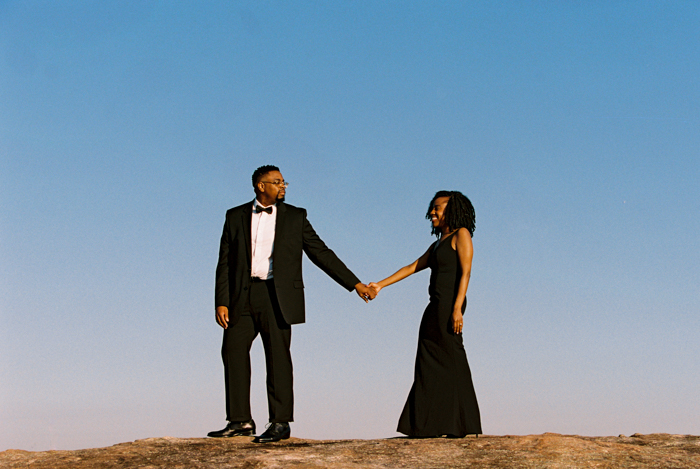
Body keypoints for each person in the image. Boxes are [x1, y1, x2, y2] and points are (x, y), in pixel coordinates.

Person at [209, 165, 376, 443]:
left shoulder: (296, 217)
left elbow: (321, 253)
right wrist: (221, 301)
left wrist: (355, 284)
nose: (283, 186)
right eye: (277, 182)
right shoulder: (234, 215)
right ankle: (239, 420)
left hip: (277, 295)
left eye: (284, 182)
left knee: (278, 357)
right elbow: (224, 262)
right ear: (260, 186)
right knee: (233, 352)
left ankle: (280, 422)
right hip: (242, 296)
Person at [369, 191, 482, 438]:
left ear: (452, 210)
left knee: (453, 363)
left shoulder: (461, 235)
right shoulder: (438, 243)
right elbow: (412, 267)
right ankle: (426, 425)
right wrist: (380, 284)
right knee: (427, 366)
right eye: (432, 208)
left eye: (437, 208)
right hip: (433, 308)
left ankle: (462, 424)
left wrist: (457, 308)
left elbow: (466, 273)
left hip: (449, 308)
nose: (432, 212)